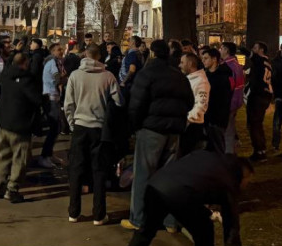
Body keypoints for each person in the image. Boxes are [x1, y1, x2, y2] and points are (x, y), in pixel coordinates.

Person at [109, 151, 253, 246]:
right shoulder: (230, 182)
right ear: (243, 174)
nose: (247, 186)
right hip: (179, 192)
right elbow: (231, 231)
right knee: (205, 231)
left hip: (157, 184)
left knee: (146, 231)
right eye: (248, 181)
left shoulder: (211, 158)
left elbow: (195, 179)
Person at [121, 39, 194, 232]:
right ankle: (170, 221)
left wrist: (134, 127)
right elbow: (190, 102)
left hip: (151, 130)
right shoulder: (178, 76)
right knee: (169, 177)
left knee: (143, 175)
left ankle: (139, 219)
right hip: (174, 131)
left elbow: (136, 105)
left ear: (152, 53)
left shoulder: (147, 74)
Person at [64, 45, 122, 225]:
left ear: (85, 55)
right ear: (99, 57)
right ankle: (99, 214)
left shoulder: (75, 75)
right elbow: (119, 101)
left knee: (76, 169)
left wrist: (72, 124)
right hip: (99, 128)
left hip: (80, 126)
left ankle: (74, 212)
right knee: (99, 171)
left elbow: (68, 104)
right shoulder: (108, 76)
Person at [0, 53, 43, 203]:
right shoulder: (26, 81)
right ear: (25, 63)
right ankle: (12, 189)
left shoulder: (5, 76)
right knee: (20, 158)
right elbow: (36, 99)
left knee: (3, 155)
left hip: (4, 122)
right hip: (20, 124)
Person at [200, 47, 233, 152]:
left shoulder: (223, 77)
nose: (203, 61)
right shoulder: (205, 75)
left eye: (206, 58)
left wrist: (218, 118)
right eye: (202, 58)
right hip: (206, 118)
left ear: (214, 59)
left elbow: (224, 100)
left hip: (217, 120)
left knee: (217, 147)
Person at [39, 42, 66, 168]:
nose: (60, 51)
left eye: (61, 49)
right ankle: (44, 156)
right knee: (54, 127)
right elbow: (57, 78)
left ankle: (49, 153)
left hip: (54, 96)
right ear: (52, 52)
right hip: (50, 97)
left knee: (57, 127)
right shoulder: (53, 63)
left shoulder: (58, 62)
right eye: (58, 50)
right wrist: (64, 79)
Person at [245, 41, 273, 162]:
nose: (253, 49)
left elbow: (252, 55)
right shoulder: (268, 63)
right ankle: (262, 149)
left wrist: (241, 49)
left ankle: (259, 152)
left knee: (254, 125)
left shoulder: (260, 61)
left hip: (257, 96)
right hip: (265, 95)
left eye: (255, 48)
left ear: (261, 50)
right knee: (258, 124)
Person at [180, 53, 210, 156]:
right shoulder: (190, 79)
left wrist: (187, 120)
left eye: (182, 62)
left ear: (190, 63)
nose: (180, 65)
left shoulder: (201, 81)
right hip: (188, 124)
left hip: (192, 126)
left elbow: (201, 106)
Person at [219, 42, 245, 155]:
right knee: (230, 128)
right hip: (235, 102)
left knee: (228, 130)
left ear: (226, 50)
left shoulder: (228, 66)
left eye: (221, 48)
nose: (219, 50)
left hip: (230, 102)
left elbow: (230, 87)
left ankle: (229, 154)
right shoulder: (235, 64)